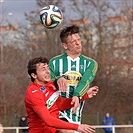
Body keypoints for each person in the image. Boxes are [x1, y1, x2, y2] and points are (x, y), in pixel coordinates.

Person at [25, 56, 98, 133]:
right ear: (34, 75)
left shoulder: (50, 85)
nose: (48, 71)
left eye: (48, 68)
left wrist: (85, 96)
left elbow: (60, 105)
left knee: (67, 131)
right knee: (68, 131)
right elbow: (48, 120)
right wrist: (77, 127)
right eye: (43, 69)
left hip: (55, 131)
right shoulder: (33, 92)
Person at [49, 25, 98, 129]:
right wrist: (58, 79)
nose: (78, 43)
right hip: (56, 113)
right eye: (73, 41)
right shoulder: (54, 62)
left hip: (76, 117)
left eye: (79, 40)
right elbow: (47, 82)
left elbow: (85, 82)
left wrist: (77, 95)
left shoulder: (90, 63)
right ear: (65, 45)